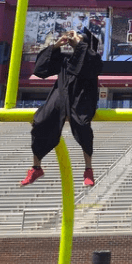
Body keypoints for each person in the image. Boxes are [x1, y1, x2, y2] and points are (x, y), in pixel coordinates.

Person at [21, 29, 103, 186]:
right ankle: (36, 168)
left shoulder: (91, 58)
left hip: (81, 99)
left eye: (79, 38)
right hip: (60, 96)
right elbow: (40, 70)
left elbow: (90, 64)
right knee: (40, 122)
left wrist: (80, 44)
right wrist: (56, 46)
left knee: (82, 127)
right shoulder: (65, 60)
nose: (74, 38)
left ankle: (88, 170)